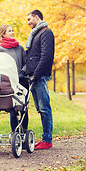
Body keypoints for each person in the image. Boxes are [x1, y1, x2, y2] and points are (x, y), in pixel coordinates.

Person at [25, 9, 55, 150]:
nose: (28, 22)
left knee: (44, 108)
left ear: (37, 17)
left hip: (39, 76)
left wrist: (36, 74)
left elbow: (46, 57)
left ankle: (47, 140)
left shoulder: (46, 33)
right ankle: (45, 139)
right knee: (40, 109)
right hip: (33, 76)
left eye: (30, 19)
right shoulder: (36, 34)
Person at [0, 24, 28, 132]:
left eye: (12, 30)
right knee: (13, 109)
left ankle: (24, 134)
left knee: (24, 109)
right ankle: (15, 134)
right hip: (9, 83)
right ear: (3, 34)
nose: (12, 32)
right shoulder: (0, 50)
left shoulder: (19, 48)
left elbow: (26, 63)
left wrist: (23, 72)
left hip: (22, 81)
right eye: (10, 31)